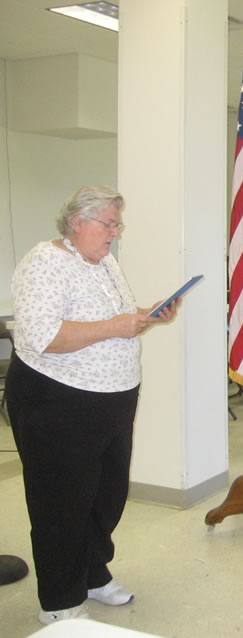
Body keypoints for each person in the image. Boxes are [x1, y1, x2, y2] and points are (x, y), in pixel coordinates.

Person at [6, 185, 178, 625]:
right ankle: (60, 600)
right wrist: (116, 327)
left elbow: (117, 320)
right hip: (58, 402)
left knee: (107, 495)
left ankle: (92, 574)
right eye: (110, 224)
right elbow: (43, 337)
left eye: (117, 225)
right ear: (77, 222)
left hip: (113, 401)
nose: (115, 234)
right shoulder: (44, 263)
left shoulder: (104, 262)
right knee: (61, 502)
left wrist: (146, 315)